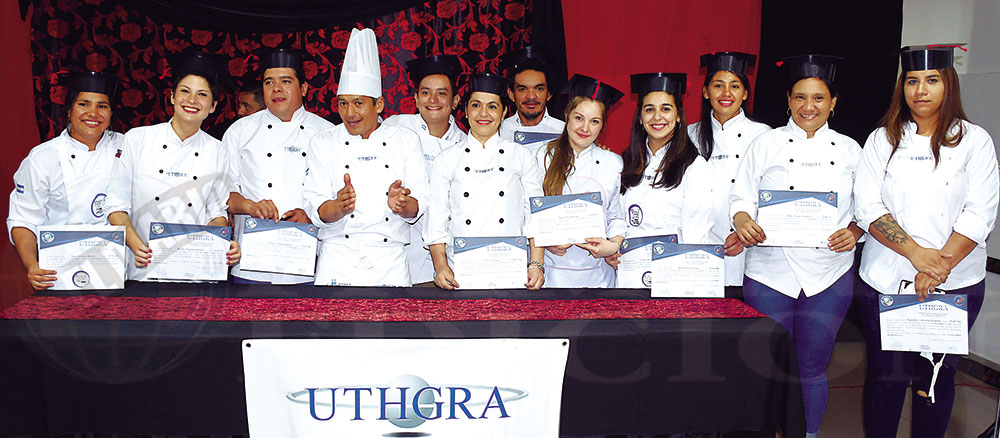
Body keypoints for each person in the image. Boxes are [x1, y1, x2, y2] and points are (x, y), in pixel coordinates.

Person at [854, 44, 998, 438]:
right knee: (885, 379)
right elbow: (867, 206)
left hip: (955, 281)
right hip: (885, 280)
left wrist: (938, 267)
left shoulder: (975, 141)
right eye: (912, 81)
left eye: (932, 80)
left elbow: (980, 212)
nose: (920, 90)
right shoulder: (882, 140)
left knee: (934, 379)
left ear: (948, 84)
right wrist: (916, 254)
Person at [729, 54, 862, 438]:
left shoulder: (851, 150)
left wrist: (854, 232)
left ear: (833, 102)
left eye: (819, 98)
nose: (808, 106)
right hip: (769, 271)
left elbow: (868, 207)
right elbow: (741, 197)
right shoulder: (765, 143)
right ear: (788, 99)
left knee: (812, 366)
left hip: (829, 273)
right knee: (763, 363)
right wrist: (743, 221)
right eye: (800, 97)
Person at [303, 28, 426, 287]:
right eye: (343, 103)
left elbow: (418, 205)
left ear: (378, 105)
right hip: (337, 257)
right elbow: (316, 207)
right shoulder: (323, 142)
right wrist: (338, 207)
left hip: (389, 259)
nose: (349, 113)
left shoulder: (405, 140)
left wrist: (402, 204)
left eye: (358, 103)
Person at [105, 51, 240, 282]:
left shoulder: (217, 150)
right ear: (172, 97)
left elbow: (216, 212)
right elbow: (116, 207)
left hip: (195, 270)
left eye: (202, 94)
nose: (192, 100)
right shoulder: (137, 139)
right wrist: (138, 247)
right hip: (144, 269)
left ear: (213, 106)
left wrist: (223, 241)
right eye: (185, 91)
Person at [424, 73, 545, 290]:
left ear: (504, 112)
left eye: (492, 107)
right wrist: (441, 266)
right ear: (466, 110)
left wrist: (536, 265)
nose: (483, 114)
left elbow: (534, 216)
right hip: (461, 272)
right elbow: (436, 219)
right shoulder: (448, 158)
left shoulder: (521, 156)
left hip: (510, 270)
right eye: (476, 105)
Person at [224, 48, 335, 284]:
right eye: (269, 82)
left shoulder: (327, 133)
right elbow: (224, 193)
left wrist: (311, 216)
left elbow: (339, 198)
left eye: (285, 81)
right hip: (250, 264)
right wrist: (250, 206)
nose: (276, 89)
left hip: (309, 261)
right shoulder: (240, 131)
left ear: (303, 88)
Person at [7, 71, 124, 290]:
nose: (93, 113)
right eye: (84, 104)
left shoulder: (128, 149)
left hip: (120, 274)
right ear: (69, 111)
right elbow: (23, 219)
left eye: (102, 106)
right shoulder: (42, 158)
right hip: (60, 274)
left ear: (111, 114)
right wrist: (32, 264)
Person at [687, 51, 771, 299]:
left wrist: (745, 233)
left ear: (745, 93)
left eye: (735, 86)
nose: (726, 93)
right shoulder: (688, 136)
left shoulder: (764, 136)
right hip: (698, 246)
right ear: (705, 92)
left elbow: (771, 192)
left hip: (748, 248)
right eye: (718, 85)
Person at [382, 54, 467, 285]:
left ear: (456, 100)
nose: (433, 100)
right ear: (416, 99)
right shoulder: (394, 128)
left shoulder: (465, 144)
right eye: (426, 92)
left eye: (442, 93)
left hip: (447, 255)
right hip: (397, 248)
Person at [536, 74, 626, 288]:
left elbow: (617, 215)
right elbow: (529, 211)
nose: (585, 128)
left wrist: (612, 245)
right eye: (579, 118)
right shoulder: (542, 156)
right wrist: (546, 241)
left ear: (602, 125)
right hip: (552, 278)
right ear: (566, 115)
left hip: (599, 279)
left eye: (594, 121)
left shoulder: (613, 162)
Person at [617, 73, 713, 243]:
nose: (657, 117)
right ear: (640, 118)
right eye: (649, 109)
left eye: (666, 109)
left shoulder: (694, 167)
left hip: (673, 258)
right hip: (628, 258)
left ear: (678, 116)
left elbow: (696, 235)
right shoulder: (624, 162)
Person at [498, 46, 565, 154]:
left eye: (539, 89)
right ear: (511, 94)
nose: (531, 96)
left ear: (549, 94)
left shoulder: (564, 131)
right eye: (522, 89)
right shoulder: (499, 131)